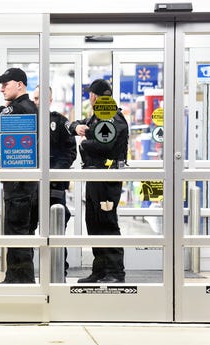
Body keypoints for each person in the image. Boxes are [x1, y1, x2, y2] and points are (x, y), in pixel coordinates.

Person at [0, 67, 39, 283]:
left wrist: (1, 109)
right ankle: (19, 278)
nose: (2, 88)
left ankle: (19, 281)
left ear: (20, 85)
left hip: (19, 184)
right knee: (23, 233)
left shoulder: (18, 109)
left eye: (6, 83)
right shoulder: (32, 108)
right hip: (27, 182)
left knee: (16, 233)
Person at [68, 79, 129, 283]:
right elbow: (84, 126)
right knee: (93, 223)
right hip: (95, 176)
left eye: (90, 96)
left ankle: (115, 272)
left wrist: (85, 144)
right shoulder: (100, 115)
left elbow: (104, 144)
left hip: (107, 177)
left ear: (94, 96)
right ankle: (100, 270)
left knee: (106, 223)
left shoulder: (113, 116)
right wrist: (79, 128)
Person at [33, 85, 77, 273]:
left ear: (50, 100)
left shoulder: (59, 122)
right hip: (30, 187)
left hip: (54, 187)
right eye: (34, 98)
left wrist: (52, 174)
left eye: (41, 98)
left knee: (56, 230)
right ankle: (27, 274)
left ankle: (59, 271)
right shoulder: (24, 122)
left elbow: (69, 152)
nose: (36, 102)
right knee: (27, 232)